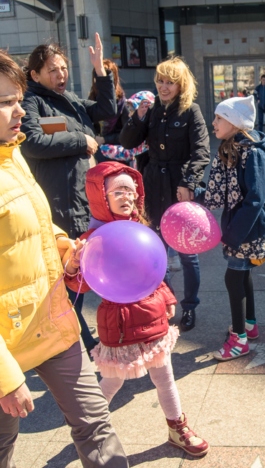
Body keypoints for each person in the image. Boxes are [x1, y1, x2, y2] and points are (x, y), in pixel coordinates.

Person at [0, 50, 128, 468]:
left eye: (17, 98)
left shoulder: (11, 151)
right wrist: (5, 377)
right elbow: (50, 137)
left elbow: (30, 223)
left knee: (96, 426)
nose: (18, 110)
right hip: (7, 343)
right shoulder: (28, 128)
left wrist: (61, 246)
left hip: (50, 321)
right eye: (5, 102)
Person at [64, 162, 209, 458]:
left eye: (130, 191)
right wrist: (74, 265)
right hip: (118, 323)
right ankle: (89, 430)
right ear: (101, 197)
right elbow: (81, 284)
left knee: (164, 376)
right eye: (117, 191)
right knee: (113, 380)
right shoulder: (91, 239)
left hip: (152, 318)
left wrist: (168, 298)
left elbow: (154, 272)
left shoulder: (140, 228)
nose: (126, 197)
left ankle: (177, 428)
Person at [20, 34, 116, 355]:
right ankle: (80, 341)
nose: (60, 75)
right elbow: (32, 141)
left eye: (63, 68)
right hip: (57, 204)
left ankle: (77, 336)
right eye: (52, 70)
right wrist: (80, 140)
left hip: (81, 199)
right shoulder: (32, 101)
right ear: (34, 75)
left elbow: (106, 108)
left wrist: (99, 70)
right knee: (68, 274)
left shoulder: (70, 99)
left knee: (79, 272)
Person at [120, 57, 210, 332]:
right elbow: (127, 142)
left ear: (181, 85)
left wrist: (189, 183)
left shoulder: (190, 111)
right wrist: (138, 118)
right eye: (160, 80)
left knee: (186, 254)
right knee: (156, 252)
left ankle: (190, 306)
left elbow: (201, 151)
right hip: (153, 188)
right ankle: (166, 301)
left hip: (178, 189)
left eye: (170, 82)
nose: (164, 86)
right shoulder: (151, 110)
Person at [195, 96, 265, 361]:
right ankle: (249, 326)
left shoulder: (252, 152)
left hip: (248, 229)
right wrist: (196, 195)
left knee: (234, 278)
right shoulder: (232, 148)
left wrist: (232, 235)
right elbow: (221, 192)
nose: (213, 123)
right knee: (241, 276)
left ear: (235, 122)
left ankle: (239, 340)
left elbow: (255, 199)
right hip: (239, 227)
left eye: (219, 118)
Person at [97, 91, 153, 171]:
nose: (130, 114)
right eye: (129, 109)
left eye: (133, 109)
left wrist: (100, 147)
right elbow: (126, 152)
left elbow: (126, 153)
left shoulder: (150, 137)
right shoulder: (137, 135)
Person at [88, 59, 130, 165]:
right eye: (97, 76)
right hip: (96, 154)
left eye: (105, 77)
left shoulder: (121, 103)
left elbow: (128, 135)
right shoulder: (91, 99)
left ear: (113, 80)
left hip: (117, 157)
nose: (100, 82)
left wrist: (105, 139)